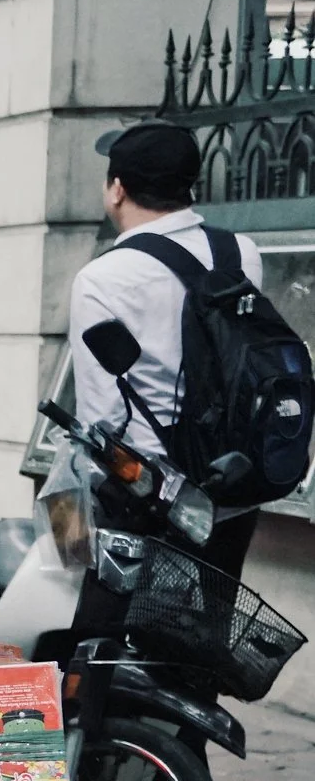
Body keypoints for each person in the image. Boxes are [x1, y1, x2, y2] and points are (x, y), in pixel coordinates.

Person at [68, 121, 265, 576]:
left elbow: (101, 420)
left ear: (117, 189)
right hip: (231, 489)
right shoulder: (241, 254)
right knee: (212, 612)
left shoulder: (101, 278)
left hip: (147, 499)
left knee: (114, 619)